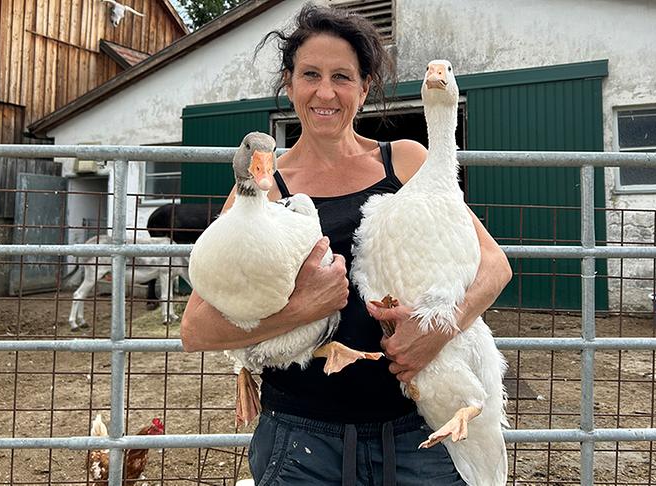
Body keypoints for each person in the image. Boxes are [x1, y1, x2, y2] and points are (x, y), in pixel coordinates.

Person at [180, 4, 512, 485]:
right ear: (289, 83)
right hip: (301, 442)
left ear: (364, 86)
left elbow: (494, 265)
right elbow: (196, 328)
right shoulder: (264, 187)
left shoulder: (407, 162)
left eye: (342, 76)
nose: (325, 92)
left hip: (416, 432)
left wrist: (439, 329)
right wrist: (301, 308)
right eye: (310, 74)